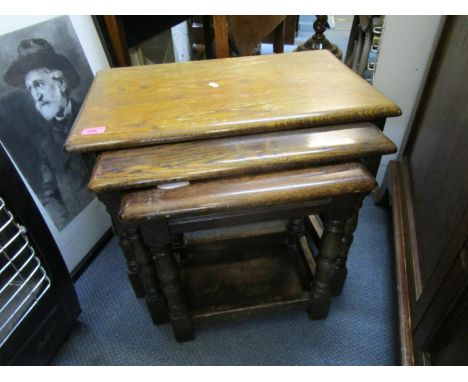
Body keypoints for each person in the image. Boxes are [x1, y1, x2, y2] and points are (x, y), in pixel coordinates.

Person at [3, 38, 93, 231]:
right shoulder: (46, 146)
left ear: (60, 83)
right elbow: (50, 197)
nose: (36, 95)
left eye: (39, 85)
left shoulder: (92, 114)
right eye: (31, 89)